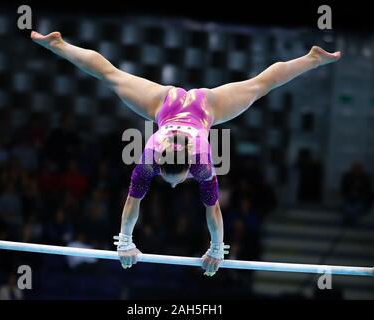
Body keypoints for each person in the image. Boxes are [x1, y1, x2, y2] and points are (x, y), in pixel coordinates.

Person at [31, 30, 340, 276]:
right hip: (180, 105)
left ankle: (59, 45)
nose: (176, 185)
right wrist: (127, 242)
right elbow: (207, 212)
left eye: (174, 181)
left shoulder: (192, 162)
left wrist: (216, 250)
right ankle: (311, 58)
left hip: (188, 106)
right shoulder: (167, 159)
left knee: (112, 75)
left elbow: (202, 212)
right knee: (258, 85)